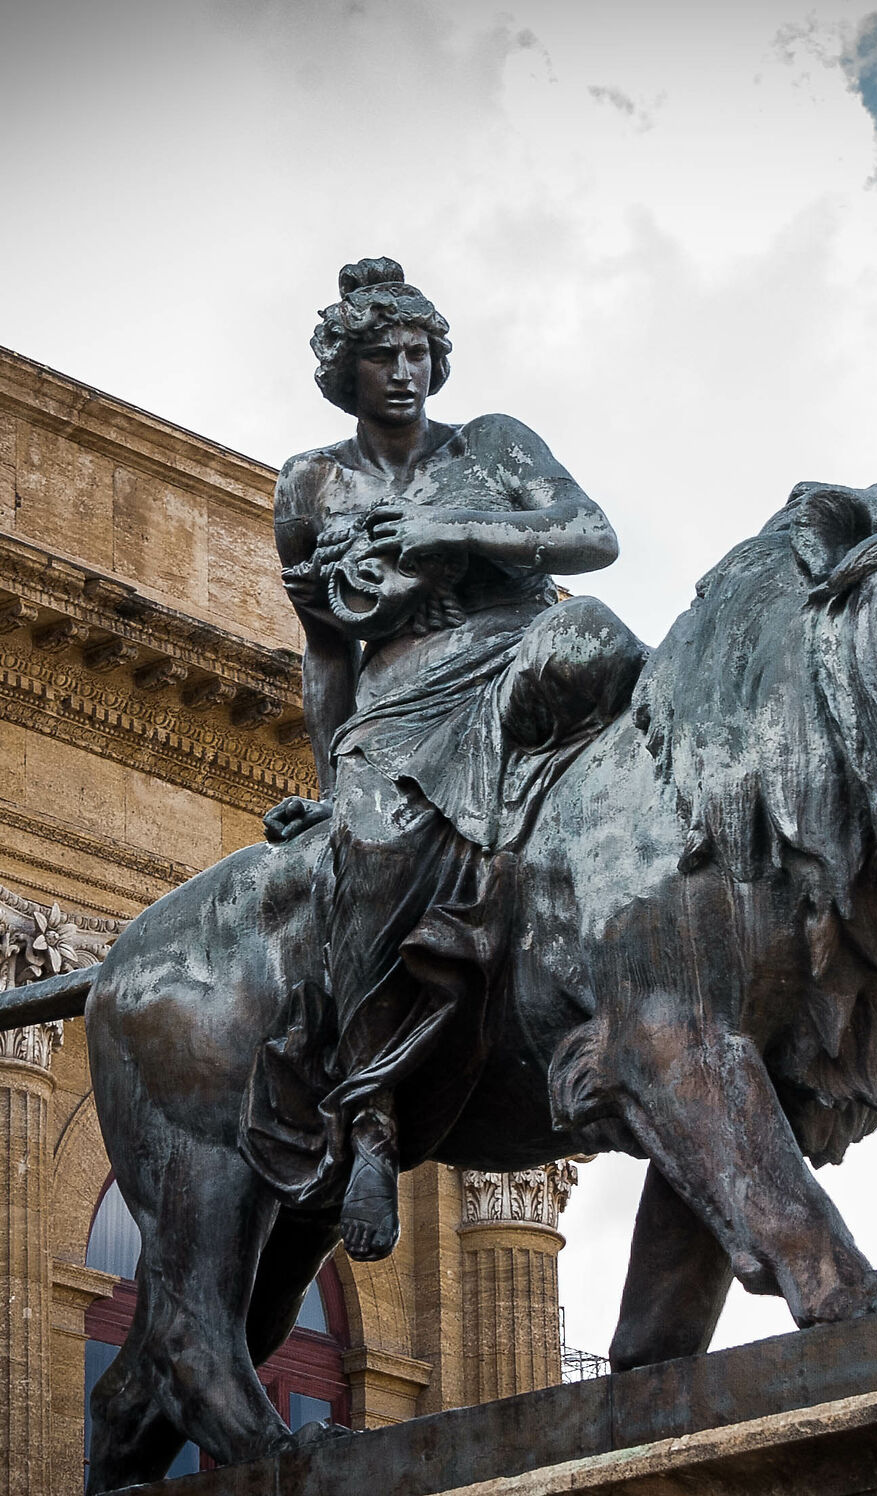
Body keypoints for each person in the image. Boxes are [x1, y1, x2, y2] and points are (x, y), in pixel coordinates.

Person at [261, 258, 640, 1262]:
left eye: (419, 352)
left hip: (522, 655)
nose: (403, 371)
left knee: (610, 655)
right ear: (345, 369)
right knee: (376, 850)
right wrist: (332, 776)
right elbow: (326, 652)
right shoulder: (312, 485)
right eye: (382, 354)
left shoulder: (492, 444)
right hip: (403, 701)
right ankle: (375, 1113)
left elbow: (591, 535)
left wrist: (454, 525)